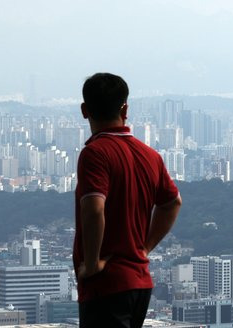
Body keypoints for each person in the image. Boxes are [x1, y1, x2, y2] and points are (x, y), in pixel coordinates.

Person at [74, 72, 182, 328]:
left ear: (84, 110)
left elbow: (93, 210)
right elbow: (172, 203)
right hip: (139, 283)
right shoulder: (150, 155)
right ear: (125, 108)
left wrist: (91, 265)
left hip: (106, 285)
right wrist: (144, 249)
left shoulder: (95, 153)